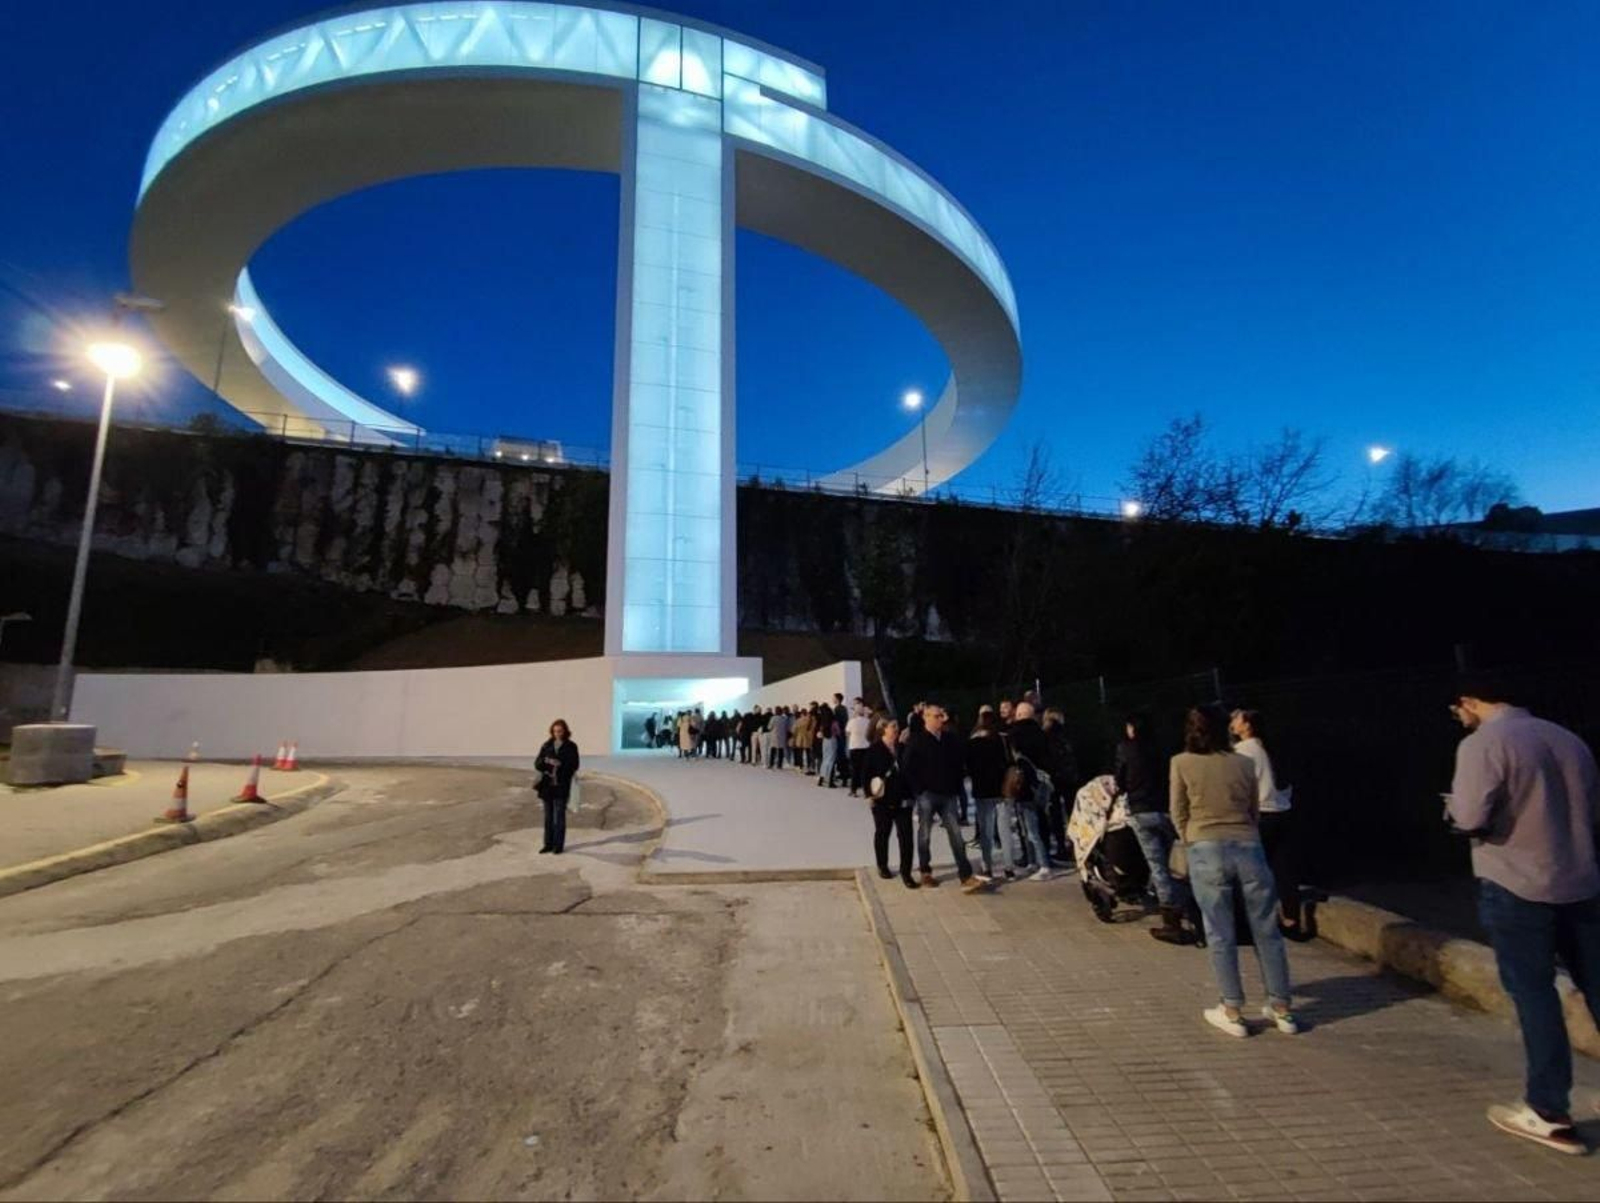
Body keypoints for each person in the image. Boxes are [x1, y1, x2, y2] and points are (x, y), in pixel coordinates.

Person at [1447, 674, 1600, 1156]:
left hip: (1516, 884)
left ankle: (1549, 1109)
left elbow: (1470, 817)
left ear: (1470, 700)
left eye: (1458, 708)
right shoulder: (1568, 740)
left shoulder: (1482, 744)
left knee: (1535, 995)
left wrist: (1451, 814)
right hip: (1580, 879)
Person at [1171, 703, 1298, 1038]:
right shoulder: (1243, 763)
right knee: (1266, 930)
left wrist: (1191, 838)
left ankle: (1232, 1008)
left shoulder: (1181, 763)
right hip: (1247, 846)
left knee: (1220, 931)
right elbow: (1254, 808)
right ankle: (1282, 1007)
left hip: (1206, 846)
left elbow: (1178, 811)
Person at [1116, 712, 1193, 945]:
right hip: (1165, 808)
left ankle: (1171, 919)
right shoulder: (1161, 747)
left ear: (1132, 728)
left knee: (1157, 864)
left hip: (1141, 810)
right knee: (1175, 863)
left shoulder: (1126, 748)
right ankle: (1186, 906)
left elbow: (1120, 777)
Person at [1230, 708, 1302, 939]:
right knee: (1283, 870)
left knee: (1251, 872)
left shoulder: (1242, 751)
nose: (1233, 721)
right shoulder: (1269, 748)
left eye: (1237, 718)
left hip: (1260, 814)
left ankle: (1253, 925)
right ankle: (1291, 920)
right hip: (1282, 810)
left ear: (1247, 725)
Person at [901, 703, 989, 892]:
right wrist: (919, 789)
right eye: (936, 716)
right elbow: (907, 767)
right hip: (928, 794)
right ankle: (925, 870)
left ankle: (965, 874)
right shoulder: (917, 740)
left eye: (941, 716)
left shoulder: (950, 739)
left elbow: (958, 762)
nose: (941, 719)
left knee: (956, 835)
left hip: (948, 794)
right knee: (924, 834)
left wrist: (957, 784)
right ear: (926, 717)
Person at [1004, 702, 1059, 880]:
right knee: (1039, 822)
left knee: (1028, 828)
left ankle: (1040, 864)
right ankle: (1040, 861)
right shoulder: (1041, 733)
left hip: (1023, 785)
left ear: (1019, 715)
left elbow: (1010, 759)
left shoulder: (1014, 734)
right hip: (1042, 784)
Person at [865, 718, 919, 888]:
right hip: (882, 800)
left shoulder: (903, 749)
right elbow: (865, 774)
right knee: (882, 833)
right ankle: (882, 865)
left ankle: (906, 873)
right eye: (893, 726)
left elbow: (911, 772)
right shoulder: (873, 750)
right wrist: (869, 795)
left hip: (903, 800)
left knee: (906, 838)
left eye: (897, 726)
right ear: (883, 729)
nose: (897, 729)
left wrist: (913, 795)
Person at [967, 708, 1015, 879]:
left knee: (986, 831)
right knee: (1004, 830)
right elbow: (1010, 762)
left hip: (982, 790)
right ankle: (1009, 867)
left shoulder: (972, 743)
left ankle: (987, 865)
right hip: (1001, 789)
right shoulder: (1001, 740)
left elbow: (969, 767)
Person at [535, 718, 580, 855]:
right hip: (547, 786)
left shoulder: (571, 746)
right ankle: (548, 844)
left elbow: (574, 765)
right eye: (555, 731)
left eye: (560, 731)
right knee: (548, 817)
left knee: (559, 817)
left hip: (561, 786)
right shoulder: (546, 745)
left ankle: (558, 846)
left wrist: (560, 766)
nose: (557, 734)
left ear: (565, 731)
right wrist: (547, 763)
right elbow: (537, 763)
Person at [1042, 708, 1079, 862]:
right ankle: (1076, 845)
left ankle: (1061, 847)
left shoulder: (1046, 736)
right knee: (1072, 812)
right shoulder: (1067, 734)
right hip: (1070, 777)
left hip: (1054, 778)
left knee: (1055, 814)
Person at [846, 702, 874, 797]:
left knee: (855, 770)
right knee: (865, 770)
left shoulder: (852, 721)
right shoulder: (868, 721)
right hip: (866, 747)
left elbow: (847, 733)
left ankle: (853, 790)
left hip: (854, 747)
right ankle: (867, 791)